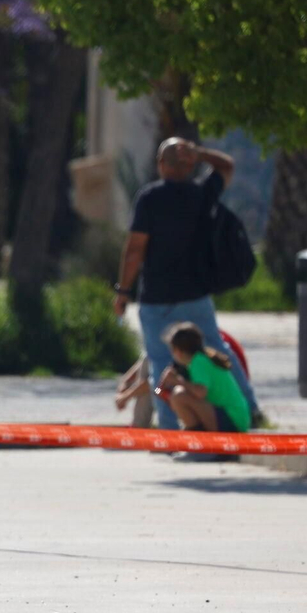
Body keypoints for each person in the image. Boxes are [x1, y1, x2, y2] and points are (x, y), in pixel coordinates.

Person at [112, 138, 259, 429]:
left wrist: (123, 291)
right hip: (196, 295)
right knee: (219, 352)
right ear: (189, 165)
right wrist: (199, 153)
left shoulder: (149, 199)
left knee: (159, 363)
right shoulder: (202, 194)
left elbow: (135, 250)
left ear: (161, 165)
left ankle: (169, 428)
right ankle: (249, 408)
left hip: (157, 298)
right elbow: (227, 165)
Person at [155, 322, 251, 433]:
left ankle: (197, 433)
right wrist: (162, 386)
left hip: (232, 419)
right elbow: (157, 391)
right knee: (177, 396)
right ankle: (195, 431)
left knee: (179, 395)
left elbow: (201, 392)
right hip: (231, 416)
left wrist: (178, 382)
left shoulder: (199, 362)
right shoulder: (192, 362)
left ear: (178, 351)